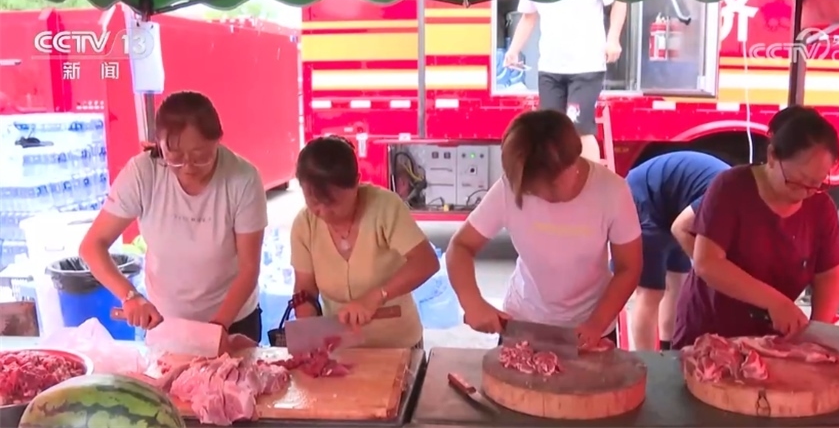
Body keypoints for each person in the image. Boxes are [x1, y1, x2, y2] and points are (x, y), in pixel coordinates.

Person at [79, 91, 268, 343]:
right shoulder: (143, 173)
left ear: (218, 141)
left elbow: (249, 268)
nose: (188, 167)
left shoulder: (242, 179)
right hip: (166, 322)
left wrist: (218, 328)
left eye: (201, 156)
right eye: (175, 157)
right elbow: (92, 245)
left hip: (232, 319)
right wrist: (130, 296)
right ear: (159, 144)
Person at [446, 109, 642, 349]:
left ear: (573, 162)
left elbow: (629, 267)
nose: (539, 196)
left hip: (591, 325)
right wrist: (472, 301)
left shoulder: (612, 191)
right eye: (531, 190)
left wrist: (596, 324)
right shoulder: (510, 188)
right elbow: (461, 246)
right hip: (523, 320)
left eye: (549, 187)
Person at [672, 108, 839, 349]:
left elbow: (830, 275)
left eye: (816, 184)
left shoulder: (821, 207)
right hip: (711, 333)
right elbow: (707, 262)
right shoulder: (730, 187)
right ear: (773, 156)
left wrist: (817, 332)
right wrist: (775, 303)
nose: (804, 193)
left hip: (773, 340)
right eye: (796, 182)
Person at [289, 136, 439, 349]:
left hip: (397, 344)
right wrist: (309, 330)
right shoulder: (304, 224)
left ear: (356, 183)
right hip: (339, 346)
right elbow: (305, 288)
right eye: (313, 203)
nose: (323, 212)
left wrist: (376, 296)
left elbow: (426, 262)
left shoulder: (384, 207)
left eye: (333, 203)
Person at [625, 151, 729, 351]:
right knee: (651, 292)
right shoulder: (726, 194)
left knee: (677, 285)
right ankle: (648, 362)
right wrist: (705, 267)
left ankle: (669, 351)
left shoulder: (739, 201)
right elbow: (680, 229)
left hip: (675, 206)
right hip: (646, 198)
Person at [504, 0, 628, 162]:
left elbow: (620, 0)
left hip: (586, 67)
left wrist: (613, 39)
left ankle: (591, 178)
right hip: (550, 67)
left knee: (579, 130)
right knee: (549, 131)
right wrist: (513, 50)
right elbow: (528, 17)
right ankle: (555, 177)